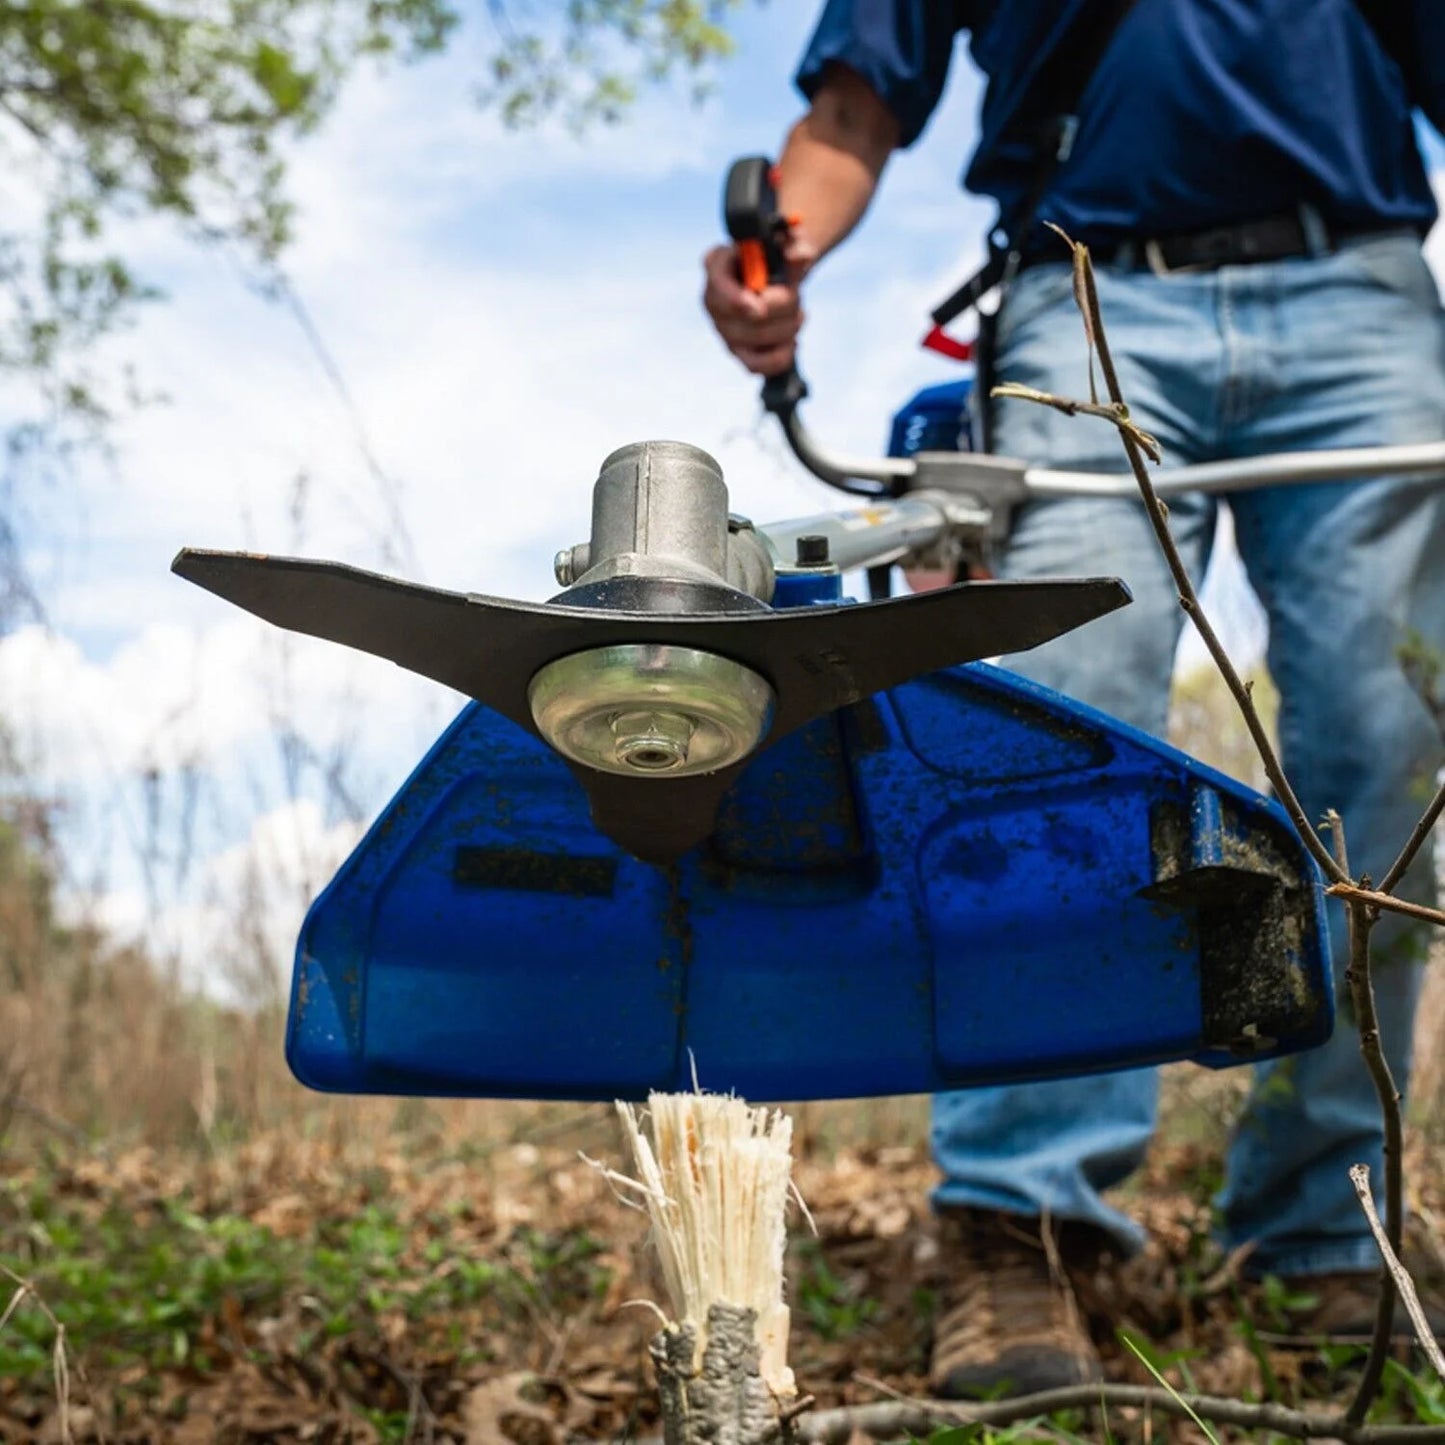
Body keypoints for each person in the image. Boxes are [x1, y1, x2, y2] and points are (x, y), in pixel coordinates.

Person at [702, 0, 1445, 1399]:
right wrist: (771, 256)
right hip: (1079, 289)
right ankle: (1020, 1219)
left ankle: (1318, 1227)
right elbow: (851, 112)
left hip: (1359, 294)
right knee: (1057, 735)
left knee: (1381, 739)